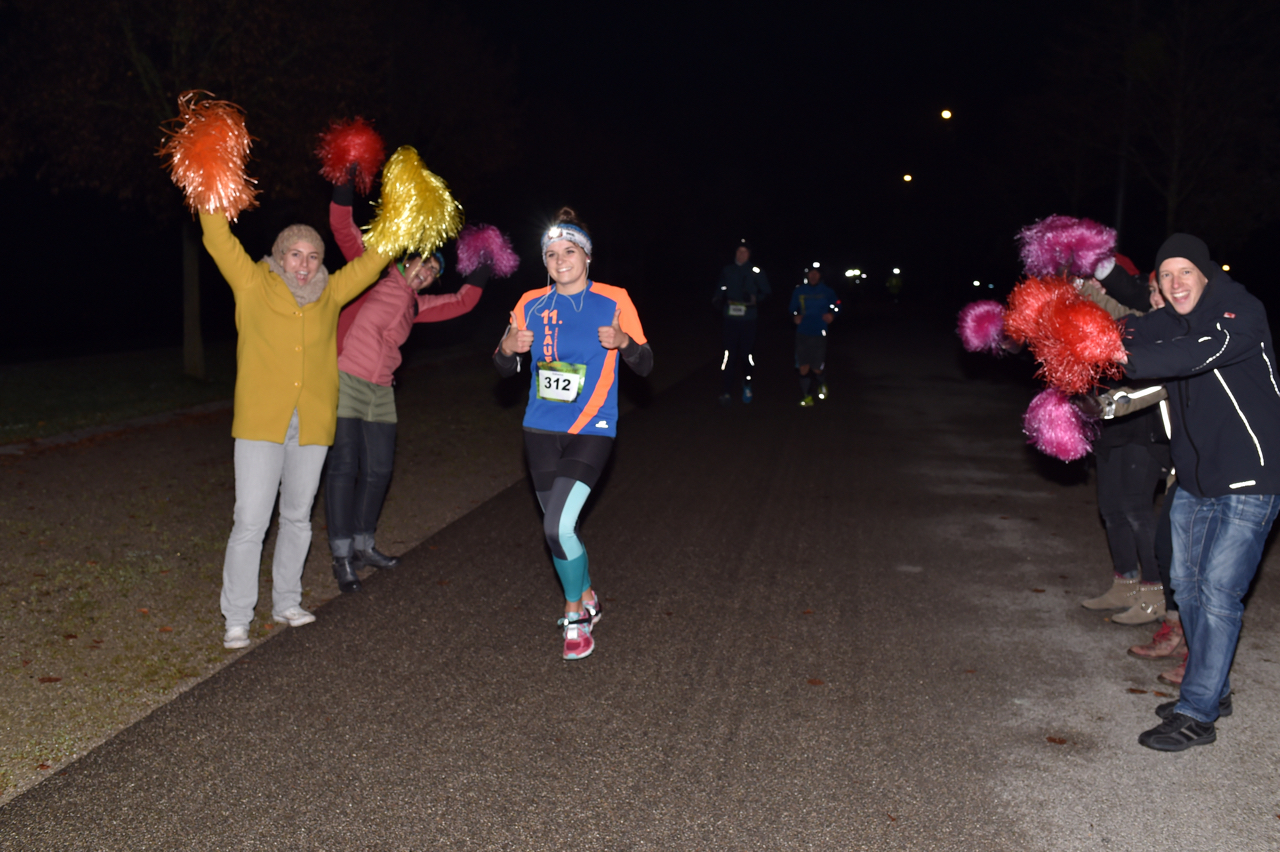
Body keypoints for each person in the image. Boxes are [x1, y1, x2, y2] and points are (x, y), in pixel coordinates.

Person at [198, 208, 390, 650]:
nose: (304, 265)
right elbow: (217, 237)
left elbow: (373, 260)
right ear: (279, 257)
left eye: (312, 256)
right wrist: (210, 190)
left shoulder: (331, 292)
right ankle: (238, 616)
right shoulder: (251, 283)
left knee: (298, 518)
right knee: (250, 521)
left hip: (312, 425)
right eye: (295, 255)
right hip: (261, 423)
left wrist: (400, 222)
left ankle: (287, 600)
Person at [1120, 234, 1280, 751]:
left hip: (1253, 477)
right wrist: (1064, 332)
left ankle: (1197, 713)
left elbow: (1200, 351)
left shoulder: (1238, 311)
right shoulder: (1172, 320)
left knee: (1217, 590)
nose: (1174, 283)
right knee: (1185, 587)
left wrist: (1125, 356)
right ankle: (1214, 688)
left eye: (1184, 271)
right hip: (1196, 479)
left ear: (1206, 274)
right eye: (1166, 275)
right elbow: (1127, 329)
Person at [494, 208, 653, 660]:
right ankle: (587, 593)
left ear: (586, 256)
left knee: (557, 524)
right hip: (540, 429)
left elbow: (646, 363)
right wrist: (508, 346)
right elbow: (503, 365)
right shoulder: (530, 303)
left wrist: (623, 342)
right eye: (551, 253)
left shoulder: (614, 299)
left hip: (593, 428)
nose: (560, 260)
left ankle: (575, 614)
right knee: (559, 530)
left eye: (569, 251)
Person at [324, 181, 490, 593]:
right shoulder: (374, 272)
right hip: (345, 378)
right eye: (423, 263)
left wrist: (486, 261)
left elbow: (462, 302)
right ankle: (342, 556)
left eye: (433, 272)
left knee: (379, 469)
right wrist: (345, 182)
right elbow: (342, 227)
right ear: (408, 257)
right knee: (344, 468)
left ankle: (364, 545)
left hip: (381, 390)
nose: (426, 273)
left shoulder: (417, 305)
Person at [714, 239, 770, 404]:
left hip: (748, 320)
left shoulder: (756, 271)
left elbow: (766, 292)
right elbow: (720, 287)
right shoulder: (727, 270)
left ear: (749, 254)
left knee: (746, 355)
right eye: (739, 251)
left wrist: (754, 299)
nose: (741, 254)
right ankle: (726, 391)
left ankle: (747, 384)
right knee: (728, 355)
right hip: (730, 319)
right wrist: (717, 299)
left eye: (745, 252)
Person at [790, 264, 838, 407]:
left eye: (816, 273)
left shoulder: (827, 291)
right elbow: (792, 308)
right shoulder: (799, 291)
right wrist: (795, 315)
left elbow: (837, 304)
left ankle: (822, 382)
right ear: (807, 275)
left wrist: (832, 314)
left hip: (819, 332)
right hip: (803, 332)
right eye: (811, 273)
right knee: (803, 367)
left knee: (816, 368)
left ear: (820, 275)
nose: (813, 276)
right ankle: (807, 396)